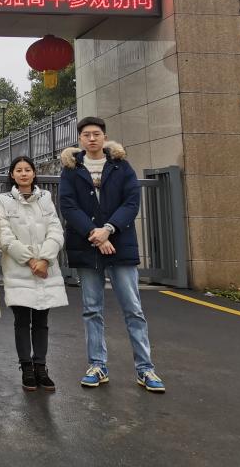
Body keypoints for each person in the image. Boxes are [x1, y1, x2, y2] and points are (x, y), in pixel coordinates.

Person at [59, 115, 166, 393]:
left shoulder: (122, 166)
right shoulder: (71, 169)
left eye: (96, 134)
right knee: (91, 309)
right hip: (87, 245)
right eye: (86, 135)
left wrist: (108, 230)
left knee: (133, 309)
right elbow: (68, 206)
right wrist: (94, 234)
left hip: (120, 244)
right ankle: (97, 365)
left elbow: (131, 202)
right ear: (80, 139)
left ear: (104, 137)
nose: (91, 138)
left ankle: (145, 369)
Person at [0, 155, 67, 392]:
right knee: (21, 320)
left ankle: (41, 366)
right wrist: (30, 260)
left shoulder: (45, 198)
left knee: (41, 321)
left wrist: (45, 259)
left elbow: (55, 230)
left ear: (34, 173)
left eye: (27, 169)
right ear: (12, 175)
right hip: (19, 268)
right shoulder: (4, 201)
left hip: (45, 268)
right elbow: (5, 236)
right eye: (19, 170)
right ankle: (26, 367)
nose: (24, 173)